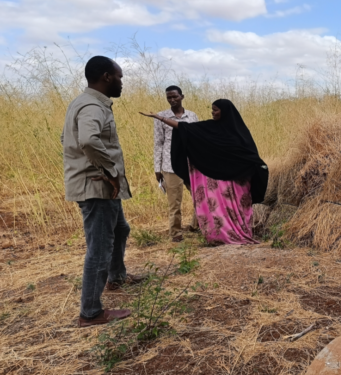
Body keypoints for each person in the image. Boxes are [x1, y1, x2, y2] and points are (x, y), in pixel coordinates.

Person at [62, 56, 146, 328]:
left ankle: (117, 276)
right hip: (97, 187)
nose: (122, 82)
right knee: (99, 248)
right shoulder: (91, 105)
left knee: (120, 230)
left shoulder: (82, 102)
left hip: (100, 186)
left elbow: (68, 139)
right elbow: (87, 140)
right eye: (119, 77)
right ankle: (90, 312)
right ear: (107, 77)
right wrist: (109, 171)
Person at [140, 99, 269, 245]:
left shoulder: (239, 131)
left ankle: (241, 234)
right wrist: (160, 118)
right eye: (212, 110)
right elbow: (185, 128)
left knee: (239, 208)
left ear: (225, 111)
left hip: (237, 181)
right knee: (218, 209)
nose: (212, 113)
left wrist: (257, 168)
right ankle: (220, 237)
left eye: (216, 110)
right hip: (220, 180)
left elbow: (248, 153)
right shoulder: (209, 127)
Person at [154, 85, 199, 242]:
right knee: (174, 203)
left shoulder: (192, 116)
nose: (172, 100)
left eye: (175, 97)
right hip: (170, 165)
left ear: (182, 96)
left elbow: (197, 140)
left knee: (200, 197)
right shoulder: (161, 117)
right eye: (169, 98)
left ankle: (196, 225)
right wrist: (157, 168)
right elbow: (158, 143)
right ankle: (176, 233)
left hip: (190, 165)